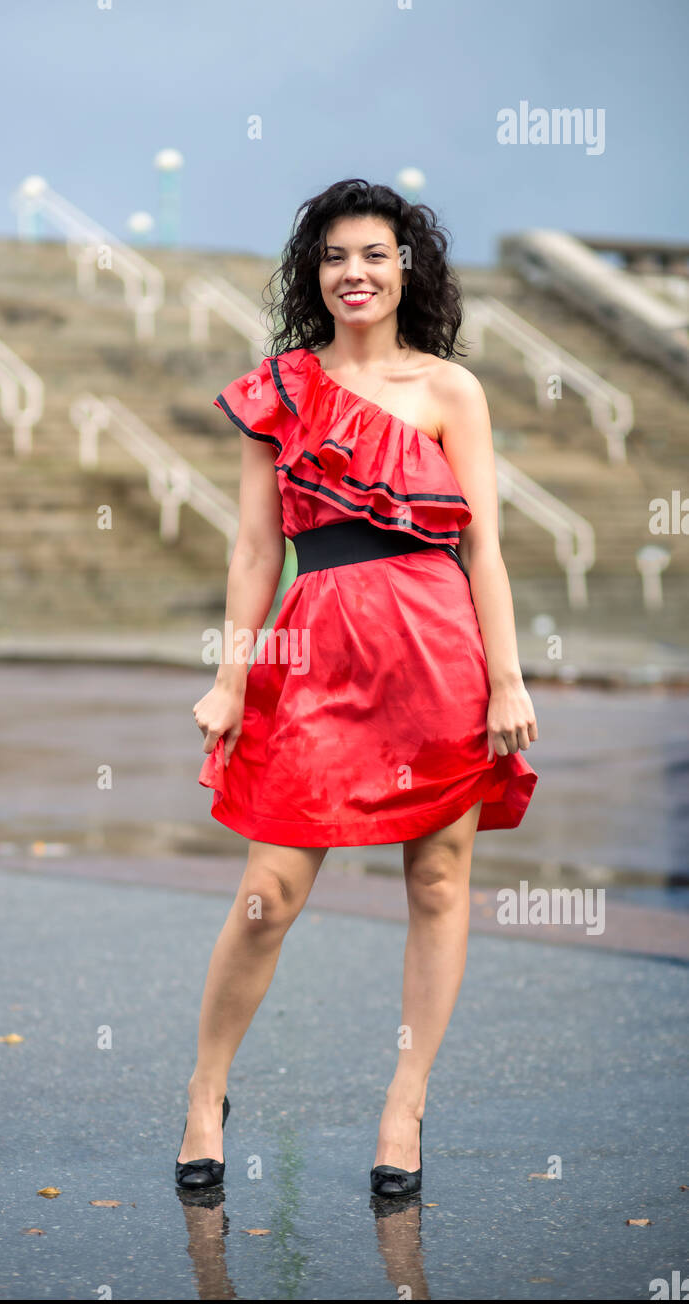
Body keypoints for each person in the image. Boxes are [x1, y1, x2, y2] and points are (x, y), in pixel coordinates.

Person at [176, 177, 538, 1196]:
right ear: (314, 274)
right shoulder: (278, 389)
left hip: (438, 657)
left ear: (403, 267)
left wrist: (504, 680)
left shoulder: (447, 391)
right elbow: (254, 551)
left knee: (436, 882)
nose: (354, 272)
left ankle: (403, 1107)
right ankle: (205, 1093)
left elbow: (485, 552)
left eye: (373, 253)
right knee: (266, 893)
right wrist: (229, 678)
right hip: (315, 651)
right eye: (335, 256)